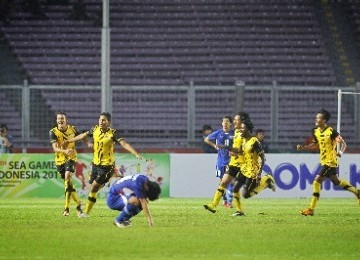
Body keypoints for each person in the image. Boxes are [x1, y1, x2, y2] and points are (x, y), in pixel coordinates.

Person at [64, 112, 143, 217]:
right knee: (91, 187)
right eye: (100, 119)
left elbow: (124, 144)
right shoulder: (95, 129)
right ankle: (111, 176)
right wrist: (70, 140)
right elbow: (83, 135)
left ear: (109, 122)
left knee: (94, 188)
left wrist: (135, 153)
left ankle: (86, 213)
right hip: (95, 164)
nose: (101, 121)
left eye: (104, 120)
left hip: (107, 165)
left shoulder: (113, 133)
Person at [297, 109, 360, 216]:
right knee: (336, 182)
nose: (316, 119)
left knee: (317, 181)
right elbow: (316, 144)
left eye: (318, 118)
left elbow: (344, 144)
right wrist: (304, 147)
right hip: (323, 161)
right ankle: (357, 192)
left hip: (331, 161)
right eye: (316, 117)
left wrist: (340, 151)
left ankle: (311, 209)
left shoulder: (331, 131)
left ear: (324, 120)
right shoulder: (316, 131)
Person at [230, 119, 275, 216]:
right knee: (235, 189)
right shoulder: (243, 140)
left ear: (248, 130)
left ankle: (267, 179)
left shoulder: (255, 142)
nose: (240, 130)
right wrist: (232, 151)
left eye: (243, 128)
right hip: (244, 169)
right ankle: (240, 211)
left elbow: (263, 158)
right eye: (240, 128)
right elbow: (242, 152)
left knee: (245, 195)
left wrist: (259, 173)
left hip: (253, 172)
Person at [50, 112, 88, 216]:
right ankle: (79, 204)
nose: (60, 120)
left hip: (71, 157)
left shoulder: (73, 129)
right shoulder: (53, 132)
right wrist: (64, 151)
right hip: (59, 160)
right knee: (69, 184)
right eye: (58, 118)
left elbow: (81, 136)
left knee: (68, 176)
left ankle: (66, 208)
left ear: (66, 120)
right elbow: (54, 148)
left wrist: (87, 142)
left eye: (62, 118)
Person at [204, 116, 234, 207]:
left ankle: (229, 202)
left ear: (230, 123)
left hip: (231, 161)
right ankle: (225, 200)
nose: (225, 123)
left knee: (229, 182)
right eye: (224, 122)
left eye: (227, 121)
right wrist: (214, 146)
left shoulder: (234, 134)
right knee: (221, 182)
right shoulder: (218, 133)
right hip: (220, 162)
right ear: (222, 123)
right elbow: (206, 139)